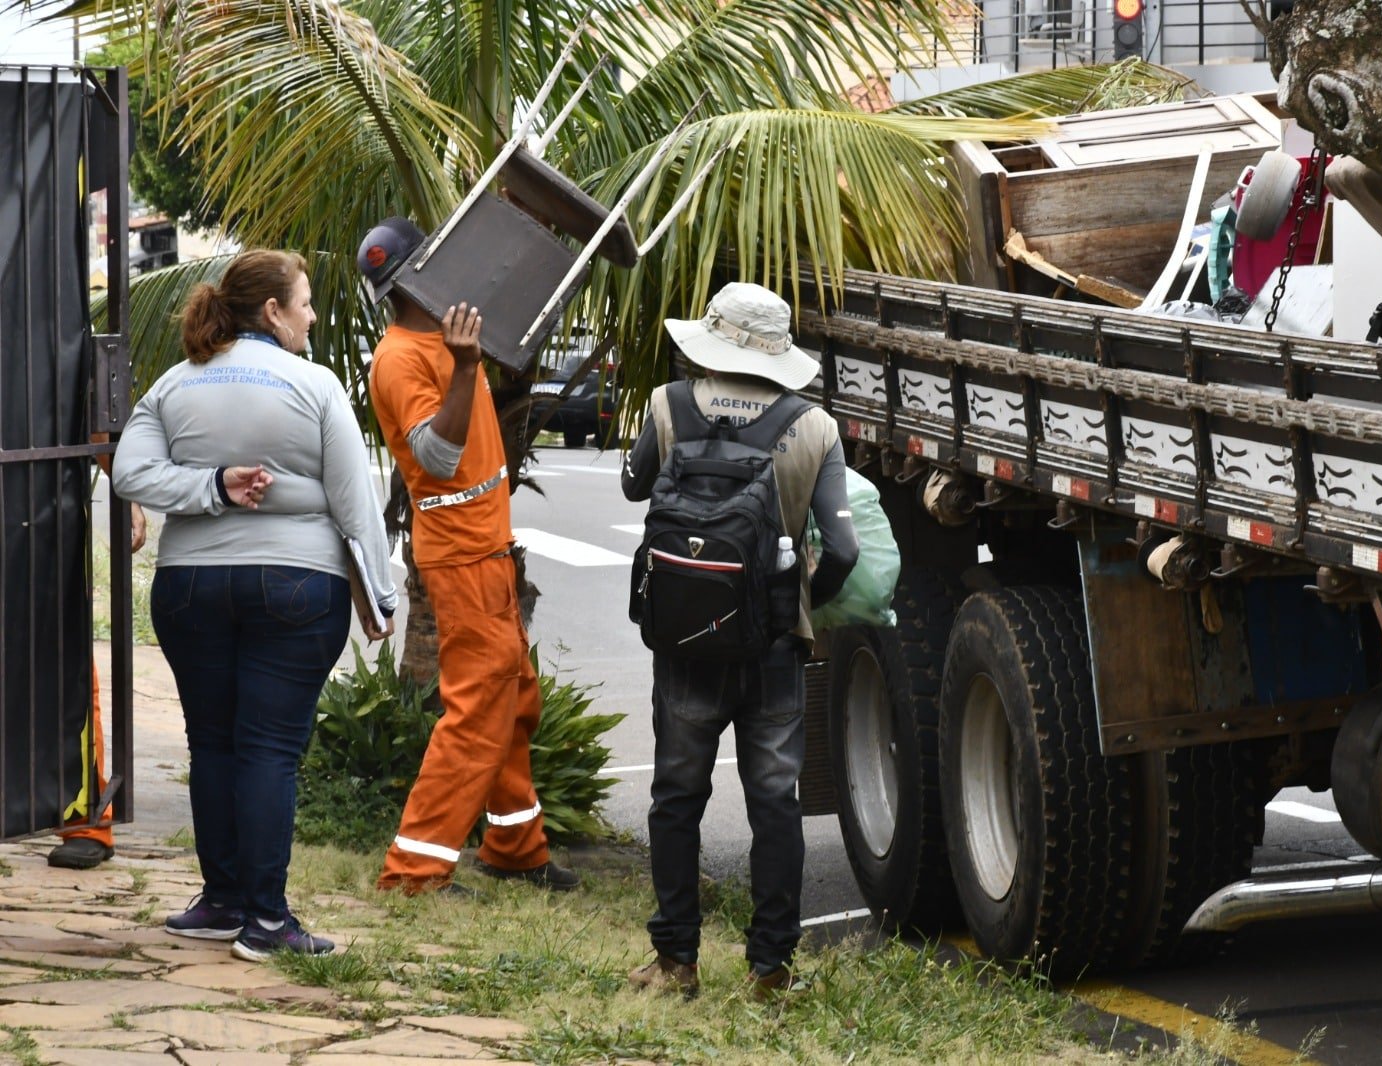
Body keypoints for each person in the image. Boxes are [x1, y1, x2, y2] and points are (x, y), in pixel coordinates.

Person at [112, 249, 396, 961]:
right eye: (305, 303)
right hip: (298, 586)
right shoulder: (316, 385)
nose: (313, 316)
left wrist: (211, 487)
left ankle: (221, 901)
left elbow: (130, 472)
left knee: (211, 743)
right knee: (269, 749)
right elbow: (354, 501)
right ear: (272, 311)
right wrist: (378, 596)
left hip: (191, 587)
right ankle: (268, 921)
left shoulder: (175, 386)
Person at [621, 281, 859, 999]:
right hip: (775, 648)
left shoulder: (669, 404)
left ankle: (676, 963)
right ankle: (769, 971)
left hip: (687, 646)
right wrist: (794, 602)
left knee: (676, 796)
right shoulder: (813, 426)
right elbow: (844, 549)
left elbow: (636, 488)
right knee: (774, 803)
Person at [356, 216, 579, 896]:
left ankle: (515, 847)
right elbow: (437, 456)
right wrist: (464, 368)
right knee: (477, 713)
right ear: (419, 274)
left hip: (484, 548)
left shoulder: (441, 337)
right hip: (461, 558)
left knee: (511, 701)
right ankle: (415, 870)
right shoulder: (402, 358)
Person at [47, 485, 145, 871]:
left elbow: (100, 429)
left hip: (40, 503)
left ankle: (85, 820)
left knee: (60, 664)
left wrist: (131, 498)